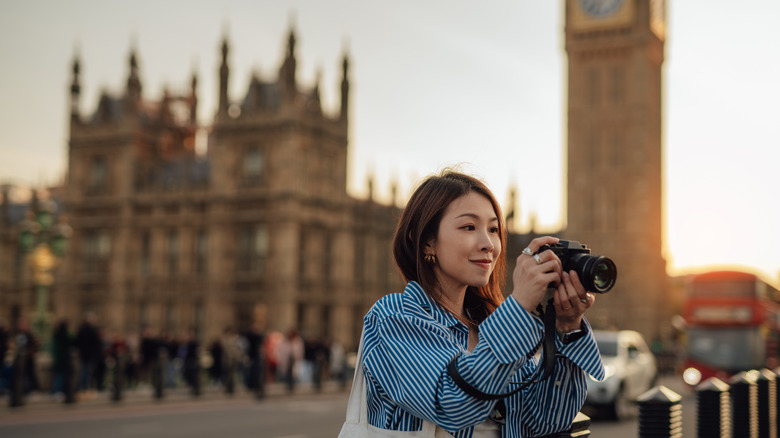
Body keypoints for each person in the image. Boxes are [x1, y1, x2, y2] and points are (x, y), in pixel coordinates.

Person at [359, 170, 604, 437]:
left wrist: (566, 326)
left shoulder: (494, 325)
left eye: (493, 229)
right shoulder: (393, 317)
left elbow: (547, 419)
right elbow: (453, 404)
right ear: (427, 242)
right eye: (469, 227)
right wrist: (519, 306)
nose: (488, 244)